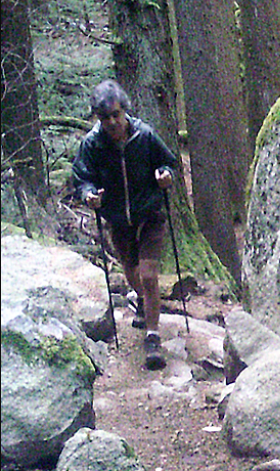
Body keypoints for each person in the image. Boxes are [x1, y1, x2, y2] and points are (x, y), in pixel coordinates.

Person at [73, 79, 177, 370]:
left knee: (148, 274)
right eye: (105, 117)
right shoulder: (92, 144)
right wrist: (89, 194)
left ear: (124, 111)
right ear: (98, 118)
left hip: (150, 214)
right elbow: (82, 177)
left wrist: (165, 175)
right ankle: (145, 304)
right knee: (132, 274)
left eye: (116, 115)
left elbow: (167, 161)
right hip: (117, 220)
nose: (112, 122)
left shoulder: (144, 135)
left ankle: (153, 337)